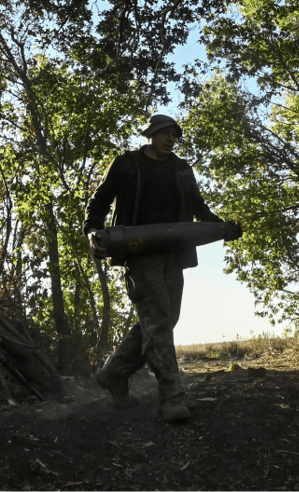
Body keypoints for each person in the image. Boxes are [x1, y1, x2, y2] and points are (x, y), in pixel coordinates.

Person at [83, 113, 231, 423]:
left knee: (163, 319)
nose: (171, 139)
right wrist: (92, 230)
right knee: (159, 319)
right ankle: (171, 396)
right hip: (138, 251)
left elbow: (197, 206)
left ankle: (113, 373)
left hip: (173, 253)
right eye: (165, 133)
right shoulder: (126, 164)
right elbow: (99, 200)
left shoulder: (181, 169)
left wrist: (221, 227)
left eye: (175, 136)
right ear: (151, 134)